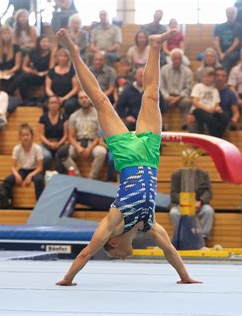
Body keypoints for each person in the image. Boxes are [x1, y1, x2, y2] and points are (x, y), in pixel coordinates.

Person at [55, 28, 200, 285]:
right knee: (152, 96)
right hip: (149, 154)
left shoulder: (113, 221)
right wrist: (186, 277)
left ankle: (73, 52)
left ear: (112, 243)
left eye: (116, 256)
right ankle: (155, 45)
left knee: (100, 100)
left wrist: (67, 279)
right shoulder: (149, 225)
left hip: (126, 156)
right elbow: (170, 251)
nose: (121, 258)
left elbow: (87, 252)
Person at [63, 91, 107, 179]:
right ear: (78, 100)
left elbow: (100, 134)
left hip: (94, 143)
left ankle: (91, 178)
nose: (84, 100)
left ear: (90, 99)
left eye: (86, 97)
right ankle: (77, 177)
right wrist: (78, 147)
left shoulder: (98, 114)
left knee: (101, 152)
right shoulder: (73, 116)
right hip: (78, 143)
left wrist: (89, 148)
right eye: (81, 98)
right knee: (64, 154)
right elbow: (71, 136)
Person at [169, 168, 215, 241]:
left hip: (199, 204)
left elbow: (208, 192)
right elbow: (173, 194)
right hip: (182, 205)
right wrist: (186, 203)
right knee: (173, 213)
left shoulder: (203, 174)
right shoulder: (176, 175)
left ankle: (203, 237)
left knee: (208, 211)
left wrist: (200, 201)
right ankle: (181, 236)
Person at [3, 123, 45, 203]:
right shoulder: (16, 148)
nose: (25, 137)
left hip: (35, 170)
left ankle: (39, 203)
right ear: (20, 137)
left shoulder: (37, 148)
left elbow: (40, 167)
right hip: (22, 170)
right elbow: (13, 167)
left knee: (39, 180)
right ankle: (9, 201)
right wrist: (17, 175)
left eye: (27, 135)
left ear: (32, 136)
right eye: (23, 135)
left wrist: (30, 175)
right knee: (8, 180)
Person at [189, 67, 228, 138]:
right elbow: (195, 102)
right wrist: (207, 109)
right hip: (199, 110)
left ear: (213, 78)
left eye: (210, 77)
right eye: (205, 76)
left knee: (224, 118)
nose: (207, 78)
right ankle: (215, 138)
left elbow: (216, 104)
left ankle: (217, 137)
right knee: (211, 119)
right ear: (202, 77)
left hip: (211, 111)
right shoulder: (198, 86)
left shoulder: (215, 90)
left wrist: (217, 108)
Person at [160, 49, 193, 130]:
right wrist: (167, 97)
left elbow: (188, 88)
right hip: (167, 96)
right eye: (175, 58)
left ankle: (185, 124)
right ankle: (161, 125)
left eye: (179, 59)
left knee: (188, 102)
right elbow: (161, 86)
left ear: (182, 60)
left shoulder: (187, 71)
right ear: (171, 59)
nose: (177, 61)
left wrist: (178, 98)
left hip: (181, 97)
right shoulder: (164, 69)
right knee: (158, 102)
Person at [16, 35, 55, 104]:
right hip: (33, 74)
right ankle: (25, 100)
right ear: (39, 43)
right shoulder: (32, 52)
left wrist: (41, 73)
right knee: (22, 77)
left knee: (50, 78)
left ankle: (44, 101)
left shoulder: (51, 53)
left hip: (45, 75)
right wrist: (30, 70)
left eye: (47, 42)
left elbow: (51, 69)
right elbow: (24, 66)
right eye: (43, 42)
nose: (45, 44)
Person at [38, 95, 68, 173]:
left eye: (55, 102)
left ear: (59, 104)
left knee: (60, 154)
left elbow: (66, 135)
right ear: (48, 105)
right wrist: (50, 144)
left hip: (60, 143)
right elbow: (41, 135)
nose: (53, 105)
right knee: (47, 156)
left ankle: (60, 176)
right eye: (51, 103)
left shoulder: (64, 117)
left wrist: (58, 144)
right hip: (46, 144)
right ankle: (44, 175)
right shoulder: (43, 118)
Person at [45, 48, 80, 116]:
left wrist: (64, 98)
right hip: (54, 96)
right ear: (57, 58)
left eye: (65, 56)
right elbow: (47, 88)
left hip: (69, 97)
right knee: (45, 105)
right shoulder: (51, 71)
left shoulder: (72, 71)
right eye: (60, 56)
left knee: (69, 105)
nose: (63, 58)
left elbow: (76, 88)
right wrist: (55, 98)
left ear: (68, 58)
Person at [213, 7, 242, 73]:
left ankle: (221, 76)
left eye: (232, 13)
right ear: (226, 14)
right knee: (210, 55)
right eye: (229, 13)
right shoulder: (218, 26)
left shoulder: (240, 26)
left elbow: (236, 42)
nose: (230, 15)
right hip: (220, 51)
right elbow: (216, 40)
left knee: (227, 58)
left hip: (235, 52)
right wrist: (220, 53)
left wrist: (225, 54)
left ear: (236, 14)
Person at [0, 25, 22, 94]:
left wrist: (9, 72)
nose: (6, 35)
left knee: (15, 79)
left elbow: (17, 65)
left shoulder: (16, 47)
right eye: (4, 33)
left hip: (12, 71)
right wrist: (0, 72)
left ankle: (6, 94)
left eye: (8, 33)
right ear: (0, 35)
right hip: (0, 71)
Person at [215, 66, 240, 132]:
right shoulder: (208, 90)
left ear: (226, 78)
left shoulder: (230, 93)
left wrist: (235, 118)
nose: (220, 78)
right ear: (214, 77)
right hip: (210, 117)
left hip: (224, 119)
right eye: (217, 75)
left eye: (223, 76)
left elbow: (236, 112)